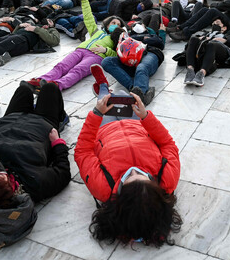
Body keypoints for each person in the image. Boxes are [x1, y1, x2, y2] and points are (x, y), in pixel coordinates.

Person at [74, 84, 182, 247]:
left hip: (105, 128)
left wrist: (96, 114)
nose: (133, 171)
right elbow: (168, 144)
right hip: (136, 124)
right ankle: (106, 90)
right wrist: (146, 117)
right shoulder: (167, 179)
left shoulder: (104, 188)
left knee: (105, 99)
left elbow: (83, 152)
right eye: (143, 175)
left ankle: (102, 86)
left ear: (120, 199)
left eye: (128, 177)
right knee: (122, 94)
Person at [0, 82, 70, 210]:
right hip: (41, 125)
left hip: (10, 121)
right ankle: (61, 117)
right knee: (50, 88)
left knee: (24, 90)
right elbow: (63, 172)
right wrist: (57, 143)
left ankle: (34, 105)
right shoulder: (33, 182)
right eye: (0, 174)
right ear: (10, 185)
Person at [26, 0, 124, 91]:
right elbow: (88, 17)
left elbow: (118, 56)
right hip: (81, 49)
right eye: (113, 23)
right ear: (108, 24)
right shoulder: (97, 31)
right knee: (61, 66)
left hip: (96, 56)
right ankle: (42, 80)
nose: (115, 25)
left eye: (118, 25)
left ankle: (57, 85)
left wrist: (106, 50)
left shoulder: (118, 39)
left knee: (78, 70)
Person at [100, 21, 166, 104]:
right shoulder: (127, 36)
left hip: (149, 53)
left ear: (145, 28)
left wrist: (161, 32)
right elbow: (118, 50)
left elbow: (160, 43)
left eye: (140, 23)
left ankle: (139, 96)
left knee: (141, 67)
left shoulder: (151, 35)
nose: (137, 25)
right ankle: (135, 90)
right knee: (106, 61)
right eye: (134, 24)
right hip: (130, 61)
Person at [180, 12, 230, 86]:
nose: (215, 25)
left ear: (224, 28)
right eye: (213, 24)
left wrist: (223, 39)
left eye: (217, 24)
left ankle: (201, 73)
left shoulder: (228, 36)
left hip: (221, 51)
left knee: (211, 44)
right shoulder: (206, 34)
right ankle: (190, 71)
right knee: (193, 39)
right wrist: (201, 38)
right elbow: (188, 46)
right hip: (204, 52)